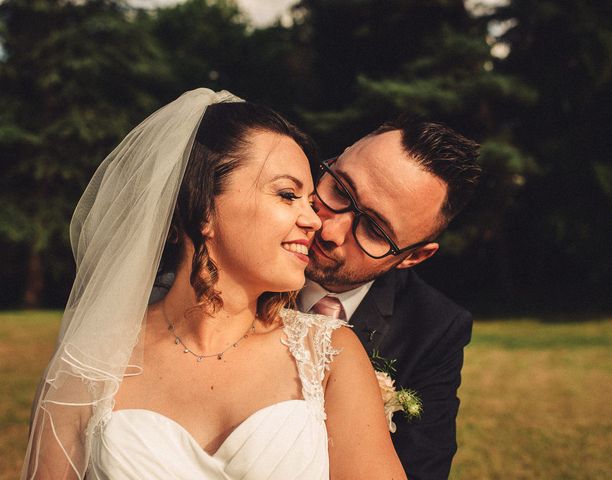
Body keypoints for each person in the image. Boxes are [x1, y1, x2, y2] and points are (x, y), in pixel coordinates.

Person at [22, 89, 406, 480]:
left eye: (309, 201)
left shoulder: (330, 354)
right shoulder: (90, 363)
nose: (314, 221)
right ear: (204, 206)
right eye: (288, 194)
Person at [298, 116, 482, 479]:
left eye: (374, 229)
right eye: (339, 189)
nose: (329, 230)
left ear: (413, 256)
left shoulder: (435, 328)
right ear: (332, 161)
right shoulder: (237, 253)